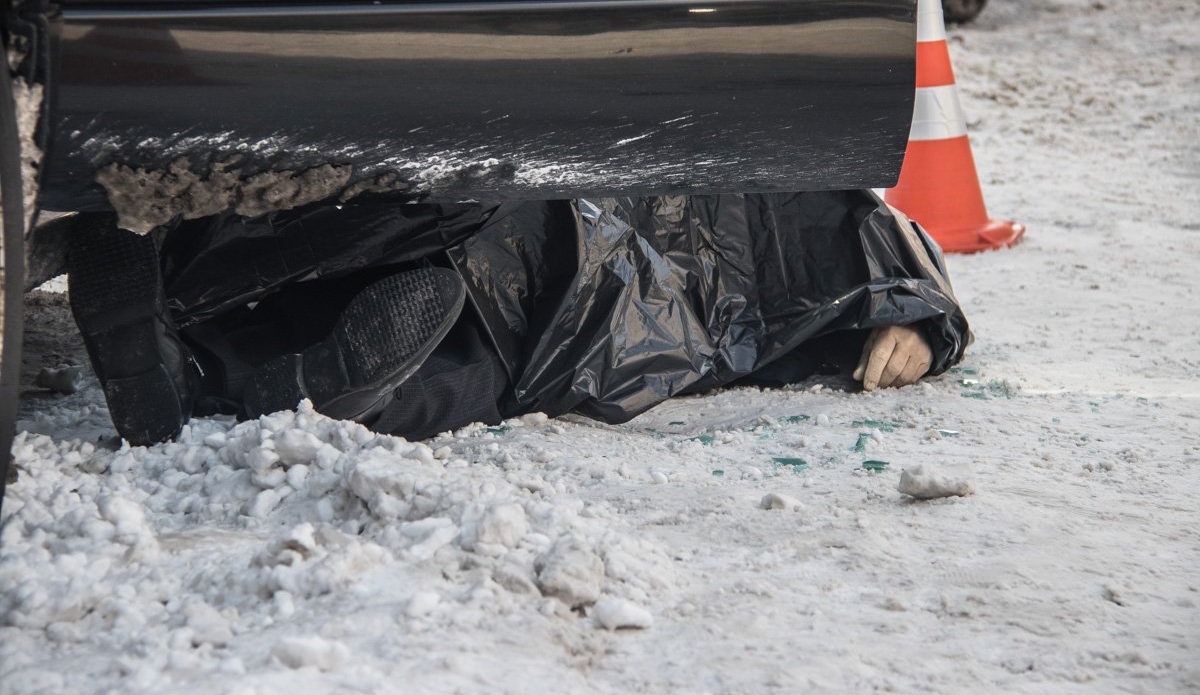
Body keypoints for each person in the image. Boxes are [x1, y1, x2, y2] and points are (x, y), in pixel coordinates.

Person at [67, 190, 970, 445]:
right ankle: (207, 370)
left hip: (595, 291)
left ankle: (194, 365)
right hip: (541, 233)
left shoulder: (813, 180)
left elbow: (888, 237)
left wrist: (923, 324)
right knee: (457, 307)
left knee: (482, 331)